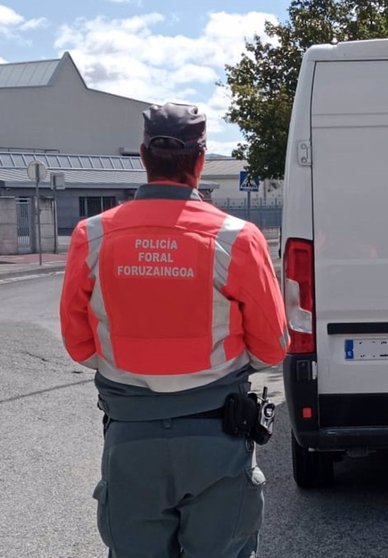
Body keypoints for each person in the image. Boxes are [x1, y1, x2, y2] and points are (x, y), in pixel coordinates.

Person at [59, 102, 288, 558]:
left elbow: (79, 344)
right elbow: (273, 347)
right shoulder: (237, 237)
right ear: (200, 161)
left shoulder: (93, 235)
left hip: (130, 439)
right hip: (217, 441)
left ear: (144, 157)